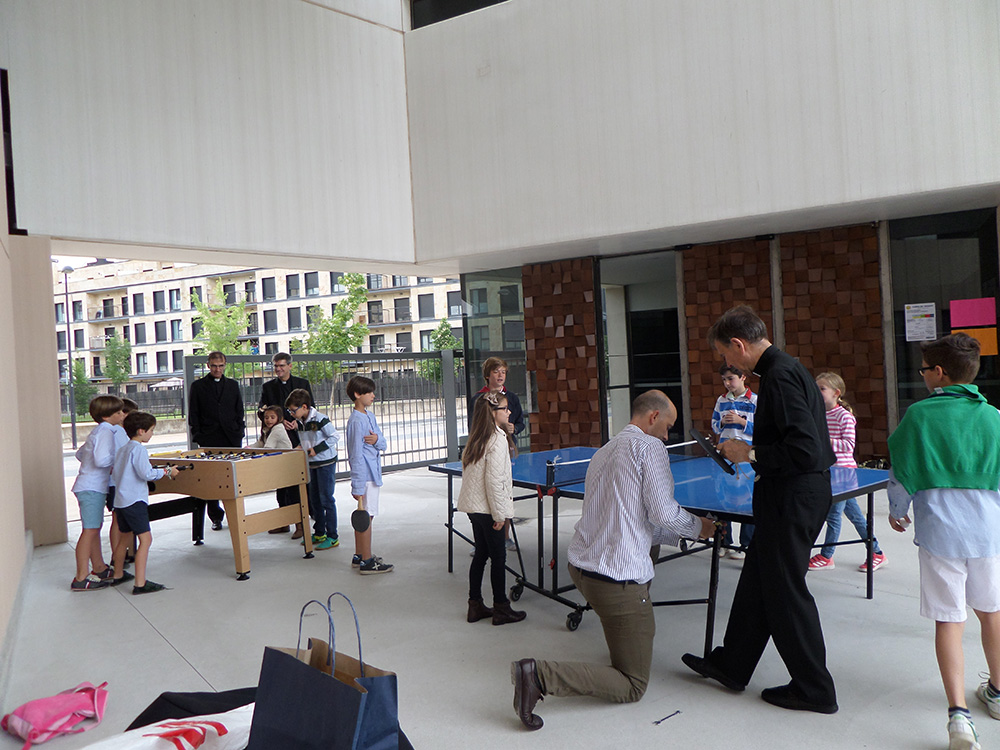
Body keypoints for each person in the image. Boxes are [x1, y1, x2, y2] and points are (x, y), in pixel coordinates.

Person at [511, 390, 715, 731]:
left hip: (582, 570)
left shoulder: (603, 452)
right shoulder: (650, 447)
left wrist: (680, 537)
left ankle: (623, 641)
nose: (667, 436)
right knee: (633, 683)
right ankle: (539, 676)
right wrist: (700, 527)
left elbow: (631, 522)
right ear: (653, 417)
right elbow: (664, 513)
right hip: (616, 581)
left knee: (635, 610)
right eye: (668, 426)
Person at [681, 305, 839, 714]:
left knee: (785, 591)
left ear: (738, 344)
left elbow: (804, 449)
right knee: (758, 579)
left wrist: (748, 452)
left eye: (725, 355)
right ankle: (732, 665)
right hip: (793, 494)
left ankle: (815, 689)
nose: (728, 364)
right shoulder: (788, 369)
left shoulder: (780, 376)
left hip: (793, 495)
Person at [886, 333, 1000, 750]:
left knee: (949, 620)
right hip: (988, 534)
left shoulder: (919, 415)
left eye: (923, 370)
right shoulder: (994, 417)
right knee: (992, 612)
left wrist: (898, 509)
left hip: (940, 535)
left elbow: (901, 468)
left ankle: (959, 717)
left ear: (938, 373)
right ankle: (998, 693)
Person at [808, 372, 886, 572]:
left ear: (836, 393)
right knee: (856, 517)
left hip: (844, 474)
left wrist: (825, 441)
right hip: (828, 471)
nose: (817, 392)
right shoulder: (818, 414)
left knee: (834, 515)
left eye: (822, 389)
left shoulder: (845, 416)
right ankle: (877, 552)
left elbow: (848, 445)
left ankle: (827, 556)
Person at [459, 392, 524, 625]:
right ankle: (501, 608)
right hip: (488, 509)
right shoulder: (496, 440)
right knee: (498, 557)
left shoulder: (476, 438)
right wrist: (499, 515)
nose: (509, 412)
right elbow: (494, 482)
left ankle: (475, 605)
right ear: (493, 413)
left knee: (481, 554)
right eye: (505, 409)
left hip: (474, 508)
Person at [110, 411, 178, 594]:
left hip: (121, 502)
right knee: (146, 540)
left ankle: (117, 574)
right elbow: (146, 474)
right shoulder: (139, 449)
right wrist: (167, 471)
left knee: (124, 538)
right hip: (135, 501)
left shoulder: (122, 449)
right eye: (151, 430)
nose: (152, 434)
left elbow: (116, 474)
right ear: (141, 431)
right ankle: (140, 583)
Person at [69, 395, 126, 591]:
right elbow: (102, 460)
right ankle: (81, 576)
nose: (122, 414)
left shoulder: (98, 431)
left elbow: (80, 454)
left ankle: (99, 567)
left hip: (90, 486)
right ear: (106, 416)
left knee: (93, 528)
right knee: (90, 531)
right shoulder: (107, 432)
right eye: (118, 412)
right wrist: (118, 459)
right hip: (92, 488)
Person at [471, 357, 525, 551]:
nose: (501, 375)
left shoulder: (512, 398)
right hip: (485, 451)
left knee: (503, 493)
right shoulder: (478, 399)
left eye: (503, 372)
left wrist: (514, 428)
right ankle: (481, 541)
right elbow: (473, 426)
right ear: (488, 375)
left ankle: (505, 537)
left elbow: (520, 423)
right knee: (483, 493)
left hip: (506, 450)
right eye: (496, 372)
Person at [188, 351, 245, 530]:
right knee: (211, 479)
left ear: (225, 365)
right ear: (208, 366)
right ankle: (215, 517)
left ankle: (235, 514)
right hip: (209, 438)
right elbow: (193, 413)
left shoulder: (233, 385)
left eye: (221, 366)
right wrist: (199, 436)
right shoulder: (198, 386)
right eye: (214, 366)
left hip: (231, 437)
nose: (217, 369)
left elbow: (239, 410)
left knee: (233, 477)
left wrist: (239, 431)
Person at [257, 352, 312, 535]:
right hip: (278, 439)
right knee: (280, 482)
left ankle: (300, 523)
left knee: (297, 482)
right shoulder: (267, 387)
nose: (278, 369)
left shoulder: (302, 384)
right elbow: (262, 410)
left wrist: (297, 421)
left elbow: (310, 408)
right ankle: (283, 521)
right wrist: (276, 420)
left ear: (290, 366)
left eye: (281, 365)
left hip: (297, 439)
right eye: (275, 366)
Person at [345, 376, 393, 575]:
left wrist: (376, 440)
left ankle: (359, 555)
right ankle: (367, 560)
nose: (373, 395)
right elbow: (355, 454)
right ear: (357, 394)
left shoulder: (369, 415)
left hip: (373, 474)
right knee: (366, 516)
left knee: (365, 515)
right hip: (365, 477)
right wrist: (357, 484)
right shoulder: (356, 420)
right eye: (369, 392)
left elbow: (382, 442)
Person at [711, 363, 757, 558]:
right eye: (724, 380)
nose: (727, 383)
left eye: (731, 379)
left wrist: (742, 422)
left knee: (748, 501)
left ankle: (745, 545)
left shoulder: (754, 400)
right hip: (725, 457)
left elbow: (762, 429)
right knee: (724, 500)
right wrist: (722, 422)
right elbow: (714, 426)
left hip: (747, 458)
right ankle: (724, 542)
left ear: (743, 377)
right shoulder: (721, 400)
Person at [285, 388, 340, 551]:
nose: (291, 414)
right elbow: (306, 441)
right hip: (311, 464)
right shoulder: (300, 422)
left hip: (325, 463)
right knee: (314, 499)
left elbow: (335, 436)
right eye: (289, 411)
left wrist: (317, 449)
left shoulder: (320, 419)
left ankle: (333, 536)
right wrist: (298, 448)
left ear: (304, 406)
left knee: (326, 499)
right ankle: (320, 532)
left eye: (293, 410)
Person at [108, 397, 139, 568]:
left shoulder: (119, 432)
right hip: (116, 483)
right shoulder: (117, 432)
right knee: (117, 520)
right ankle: (116, 556)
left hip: (118, 482)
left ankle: (127, 552)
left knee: (121, 519)